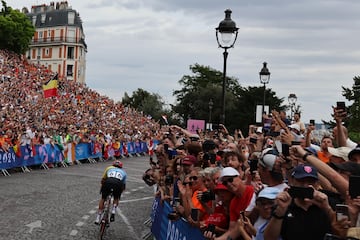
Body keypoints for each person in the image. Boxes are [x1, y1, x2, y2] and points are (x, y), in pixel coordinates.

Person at [95, 160, 127, 224]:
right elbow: (123, 185)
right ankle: (113, 210)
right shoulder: (124, 172)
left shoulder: (109, 168)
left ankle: (98, 217)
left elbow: (103, 179)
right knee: (116, 198)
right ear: (121, 167)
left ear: (113, 165)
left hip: (108, 182)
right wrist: (119, 193)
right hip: (118, 184)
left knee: (103, 199)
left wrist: (102, 188)